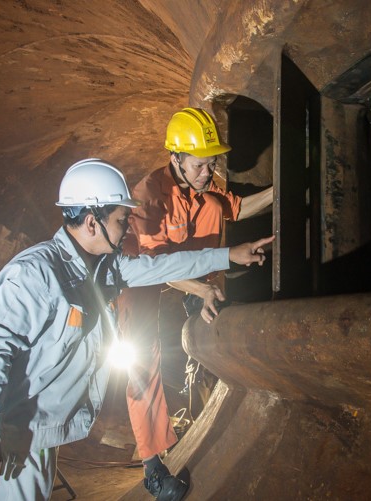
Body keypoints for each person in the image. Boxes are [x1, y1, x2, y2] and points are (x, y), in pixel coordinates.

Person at [0, 158, 274, 501]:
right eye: (123, 219)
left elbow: (161, 265)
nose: (128, 228)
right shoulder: (34, 275)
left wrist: (229, 255)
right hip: (13, 437)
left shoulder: (103, 269)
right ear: (93, 222)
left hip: (40, 433)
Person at [117, 108, 274, 495]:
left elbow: (236, 207)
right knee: (140, 357)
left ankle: (203, 298)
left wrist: (280, 190)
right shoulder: (149, 197)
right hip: (139, 275)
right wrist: (200, 289)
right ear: (176, 160)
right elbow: (154, 268)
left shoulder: (203, 188)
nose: (208, 172)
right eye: (201, 166)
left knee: (215, 208)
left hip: (185, 266)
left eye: (212, 164)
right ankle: (153, 466)